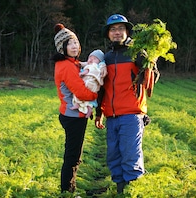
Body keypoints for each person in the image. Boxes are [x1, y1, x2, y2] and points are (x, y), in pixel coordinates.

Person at [95, 14, 153, 194]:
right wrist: (99, 113)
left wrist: (149, 63)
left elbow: (151, 78)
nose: (117, 32)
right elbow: (102, 88)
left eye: (121, 29)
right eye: (113, 29)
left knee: (130, 158)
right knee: (114, 157)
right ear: (108, 34)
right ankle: (121, 192)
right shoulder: (107, 57)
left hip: (131, 115)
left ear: (127, 31)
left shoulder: (136, 53)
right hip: (112, 117)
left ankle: (134, 192)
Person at [52, 23, 98, 193]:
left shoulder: (72, 63)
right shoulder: (66, 66)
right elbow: (82, 93)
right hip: (73, 117)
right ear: (62, 48)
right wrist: (96, 96)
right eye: (70, 43)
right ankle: (67, 191)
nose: (74, 46)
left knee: (73, 154)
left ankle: (68, 190)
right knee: (72, 157)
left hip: (71, 115)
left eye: (76, 42)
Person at [71, 49, 107, 118]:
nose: (91, 60)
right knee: (90, 102)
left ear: (99, 61)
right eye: (90, 57)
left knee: (79, 94)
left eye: (94, 58)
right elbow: (84, 63)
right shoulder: (95, 65)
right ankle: (89, 110)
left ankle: (78, 104)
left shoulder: (94, 66)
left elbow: (88, 70)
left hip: (90, 84)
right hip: (94, 89)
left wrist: (81, 73)